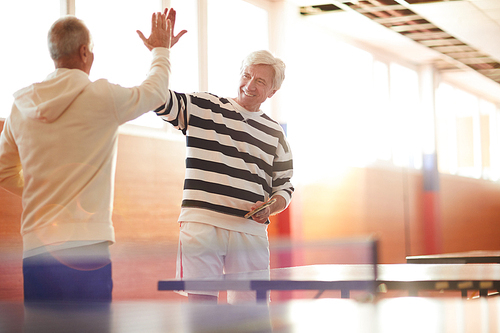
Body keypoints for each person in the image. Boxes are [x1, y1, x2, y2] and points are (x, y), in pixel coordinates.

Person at [0, 9, 186, 302]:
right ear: (84, 52)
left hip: (36, 247)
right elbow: (155, 92)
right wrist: (161, 51)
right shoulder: (101, 97)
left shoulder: (20, 107)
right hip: (87, 245)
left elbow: (4, 172)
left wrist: (47, 193)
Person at [154, 50, 294, 303]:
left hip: (250, 232)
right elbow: (158, 99)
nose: (249, 85)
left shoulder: (275, 133)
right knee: (202, 315)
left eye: (260, 81)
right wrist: (160, 52)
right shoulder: (203, 107)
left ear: (273, 90)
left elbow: (284, 188)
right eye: (246, 76)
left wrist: (271, 206)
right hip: (202, 225)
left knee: (251, 317)